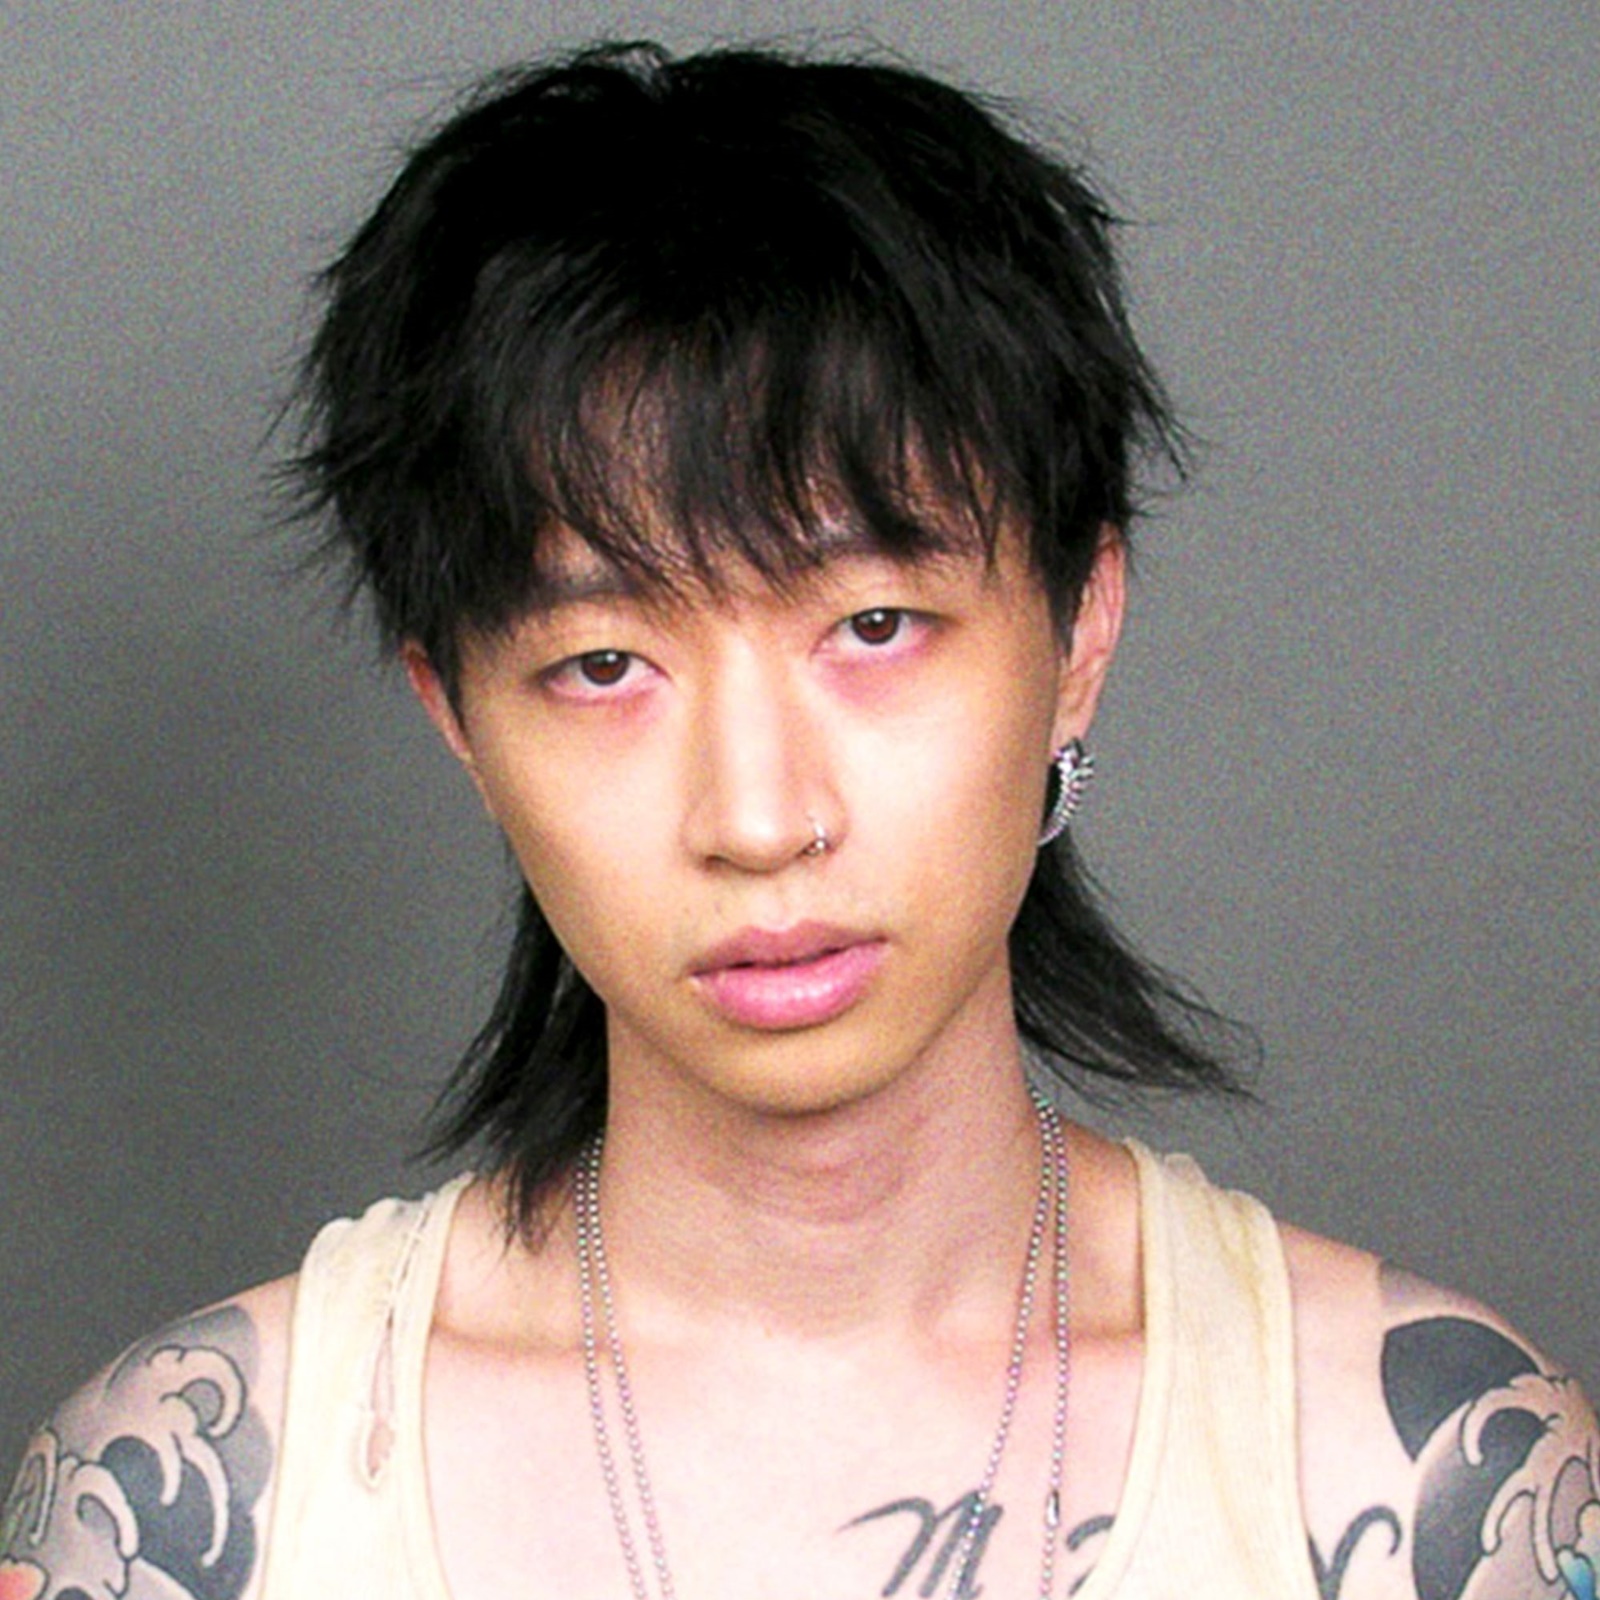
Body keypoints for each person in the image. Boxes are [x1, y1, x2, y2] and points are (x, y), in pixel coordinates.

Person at [3, 39, 1595, 1600]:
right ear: (458, 719)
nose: (760, 818)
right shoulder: (194, 1508)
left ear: (1079, 633)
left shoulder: (1421, 1479)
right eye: (605, 665)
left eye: (874, 628)